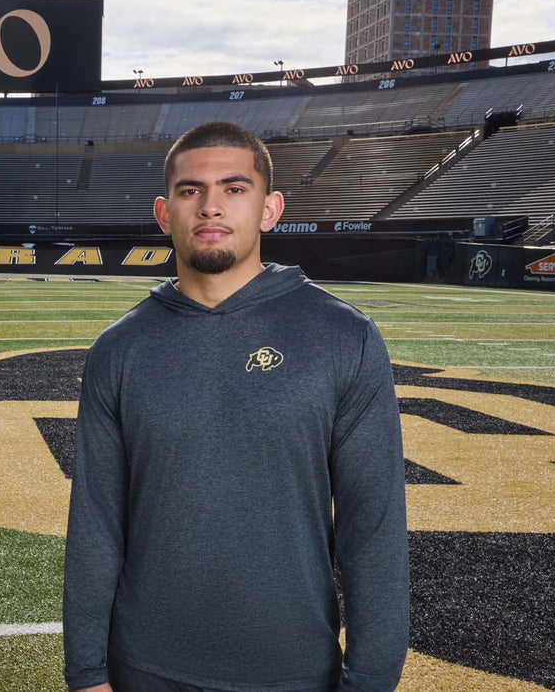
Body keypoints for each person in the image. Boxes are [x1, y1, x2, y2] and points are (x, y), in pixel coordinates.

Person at [63, 121, 409, 692]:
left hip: (293, 671)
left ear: (270, 209)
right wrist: (87, 674)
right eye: (190, 190)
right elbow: (96, 524)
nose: (210, 206)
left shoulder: (345, 338)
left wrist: (370, 681)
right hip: (142, 670)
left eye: (234, 188)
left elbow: (372, 530)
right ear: (164, 211)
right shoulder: (117, 349)